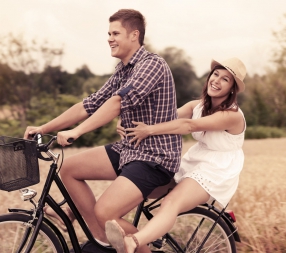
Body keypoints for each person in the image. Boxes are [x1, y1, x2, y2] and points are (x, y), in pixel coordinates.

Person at [24, 9, 182, 251]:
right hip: (129, 149)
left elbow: (118, 102)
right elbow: (88, 105)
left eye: (115, 33)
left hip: (155, 157)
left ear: (134, 35)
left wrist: (77, 132)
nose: (109, 38)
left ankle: (122, 240)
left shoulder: (152, 65)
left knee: (106, 212)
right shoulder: (123, 70)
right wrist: (42, 128)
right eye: (108, 33)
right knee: (69, 169)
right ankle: (102, 238)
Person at [105, 57, 247, 253]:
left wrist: (149, 131)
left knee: (172, 202)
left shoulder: (232, 115)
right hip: (196, 159)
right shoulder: (196, 106)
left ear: (232, 88)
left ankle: (134, 242)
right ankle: (151, 233)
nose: (217, 80)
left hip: (216, 169)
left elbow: (188, 126)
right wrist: (127, 120)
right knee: (145, 187)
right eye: (216, 74)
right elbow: (161, 117)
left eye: (225, 79)